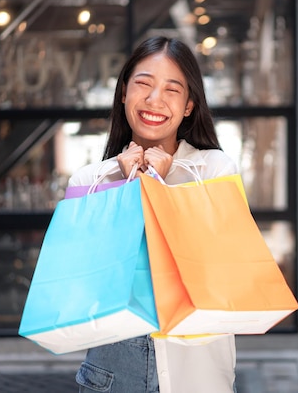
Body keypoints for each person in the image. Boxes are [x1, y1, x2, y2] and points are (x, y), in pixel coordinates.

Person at [69, 36, 238, 392]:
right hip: (112, 370)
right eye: (143, 84)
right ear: (123, 93)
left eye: (171, 90)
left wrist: (163, 188)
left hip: (196, 372)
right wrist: (123, 186)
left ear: (189, 105)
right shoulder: (91, 179)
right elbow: (83, 283)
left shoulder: (213, 170)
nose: (154, 100)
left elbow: (221, 270)